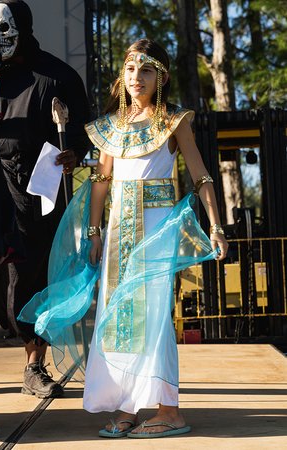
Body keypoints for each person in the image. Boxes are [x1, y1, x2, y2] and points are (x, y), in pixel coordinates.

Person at [19, 38, 228, 438]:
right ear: (123, 74)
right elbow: (101, 181)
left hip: (157, 228)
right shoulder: (111, 126)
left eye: (146, 70)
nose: (137, 78)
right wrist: (95, 232)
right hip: (118, 232)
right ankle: (128, 407)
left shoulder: (174, 121)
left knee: (154, 317)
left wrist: (216, 227)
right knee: (117, 319)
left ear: (161, 76)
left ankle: (170, 410)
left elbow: (201, 177)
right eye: (131, 69)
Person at [0, 0, 91, 399]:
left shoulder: (57, 76)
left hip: (38, 191)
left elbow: (82, 132)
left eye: (5, 30)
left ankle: (34, 365)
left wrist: (73, 153)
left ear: (25, 29)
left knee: (32, 277)